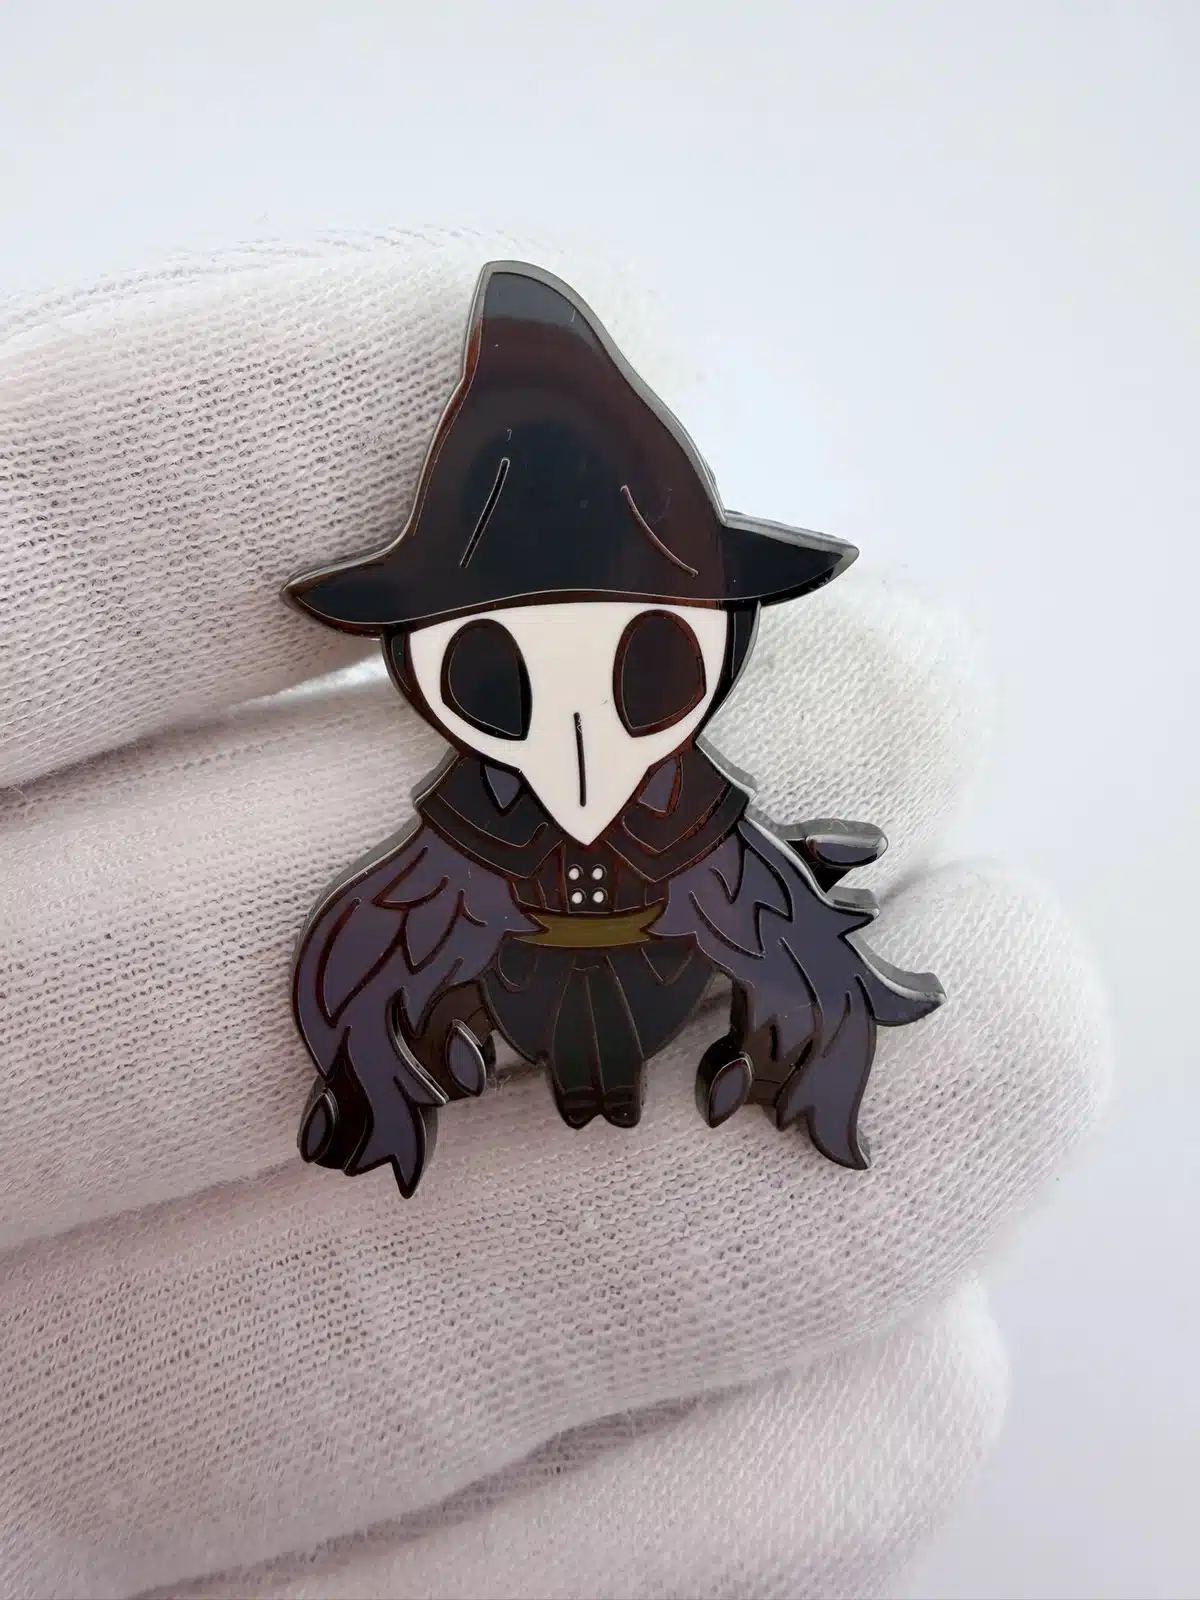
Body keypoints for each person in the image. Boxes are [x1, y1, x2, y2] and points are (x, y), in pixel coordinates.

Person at [0, 230, 1110, 1600]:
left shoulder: (704, 836)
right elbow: (367, 955)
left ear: (708, 637)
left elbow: (782, 934)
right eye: (501, 678)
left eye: (645, 663)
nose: (581, 742)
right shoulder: (455, 851)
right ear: (438, 669)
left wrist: (807, 1020)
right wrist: (379, 1063)